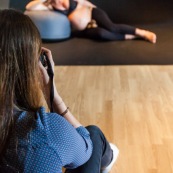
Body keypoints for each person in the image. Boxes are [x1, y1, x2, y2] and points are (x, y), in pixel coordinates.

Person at [0, 9, 119, 173]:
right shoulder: (45, 130)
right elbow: (86, 148)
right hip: (76, 144)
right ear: (33, 66)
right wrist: (52, 94)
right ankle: (108, 158)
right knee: (93, 135)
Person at [26, 0, 157, 43]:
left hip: (92, 13)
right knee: (101, 35)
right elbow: (30, 7)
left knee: (111, 27)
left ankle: (142, 32)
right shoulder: (49, 5)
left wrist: (96, 12)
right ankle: (130, 37)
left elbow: (84, 2)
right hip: (85, 28)